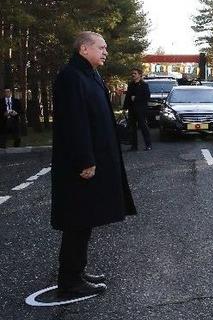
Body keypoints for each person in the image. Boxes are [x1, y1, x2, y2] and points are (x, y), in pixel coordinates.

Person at [50, 31, 136, 299]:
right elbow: (74, 122)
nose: (105, 52)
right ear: (84, 49)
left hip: (95, 158)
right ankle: (69, 281)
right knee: (77, 220)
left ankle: (78, 271)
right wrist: (85, 160)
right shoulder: (71, 76)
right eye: (101, 47)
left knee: (85, 219)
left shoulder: (90, 74)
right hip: (80, 165)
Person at [122, 69, 152, 151]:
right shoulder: (131, 84)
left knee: (143, 127)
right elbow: (128, 97)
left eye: (135, 73)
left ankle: (148, 145)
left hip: (141, 110)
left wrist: (136, 98)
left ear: (140, 75)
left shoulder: (144, 85)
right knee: (132, 128)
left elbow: (147, 97)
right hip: (132, 110)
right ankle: (134, 146)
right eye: (132, 73)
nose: (133, 75)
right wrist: (124, 108)